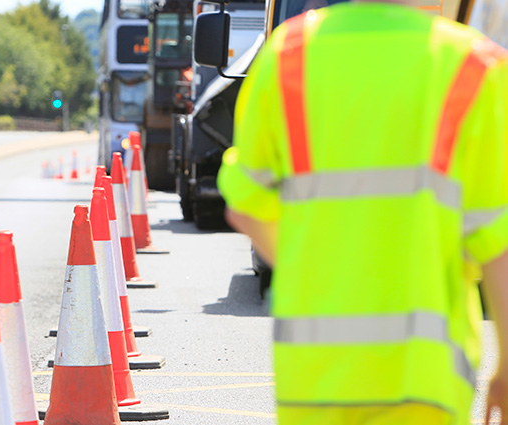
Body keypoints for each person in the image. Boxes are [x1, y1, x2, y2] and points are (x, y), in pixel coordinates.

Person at [216, 0, 508, 423]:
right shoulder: (474, 66)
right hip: (424, 380)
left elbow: (245, 206)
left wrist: (320, 273)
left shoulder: (289, 54)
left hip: (313, 380)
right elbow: (497, 240)